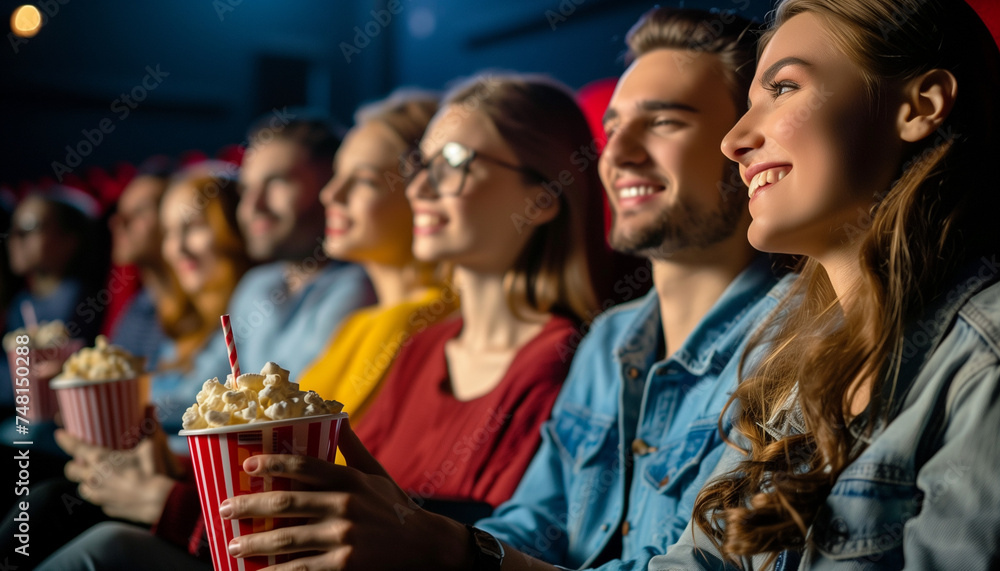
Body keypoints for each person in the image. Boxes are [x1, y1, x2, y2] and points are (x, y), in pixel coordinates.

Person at [207, 9, 785, 570]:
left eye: (664, 122)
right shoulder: (612, 339)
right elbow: (535, 525)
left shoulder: (788, 349)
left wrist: (448, 548)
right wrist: (415, 530)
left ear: (743, 144)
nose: (619, 152)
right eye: (611, 128)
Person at [648, 0, 1000, 569]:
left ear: (920, 105)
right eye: (748, 104)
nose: (732, 141)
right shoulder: (784, 363)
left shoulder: (986, 359)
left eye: (783, 88)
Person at [297, 89, 458, 421]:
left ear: (425, 191)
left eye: (365, 181)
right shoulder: (359, 323)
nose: (330, 194)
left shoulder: (426, 321)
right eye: (337, 175)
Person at [226, 115, 376, 377]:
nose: (252, 207)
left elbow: (299, 405)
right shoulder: (256, 285)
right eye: (245, 189)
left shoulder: (361, 288)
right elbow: (202, 387)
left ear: (331, 187)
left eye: (277, 182)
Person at [106, 156, 175, 367]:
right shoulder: (138, 306)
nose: (118, 222)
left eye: (139, 211)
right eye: (120, 212)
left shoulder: (203, 305)